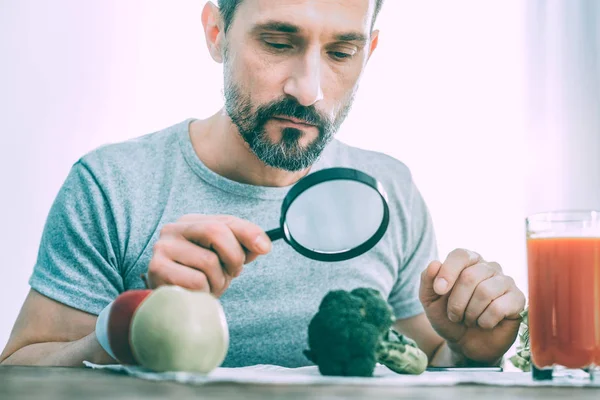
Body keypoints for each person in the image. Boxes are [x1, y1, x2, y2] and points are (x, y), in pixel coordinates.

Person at [0, 0, 525, 368]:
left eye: (341, 53)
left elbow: (424, 360)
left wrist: (469, 347)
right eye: (278, 42)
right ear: (215, 32)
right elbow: (20, 372)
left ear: (370, 50)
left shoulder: (390, 187)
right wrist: (133, 324)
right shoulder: (113, 186)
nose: (309, 90)